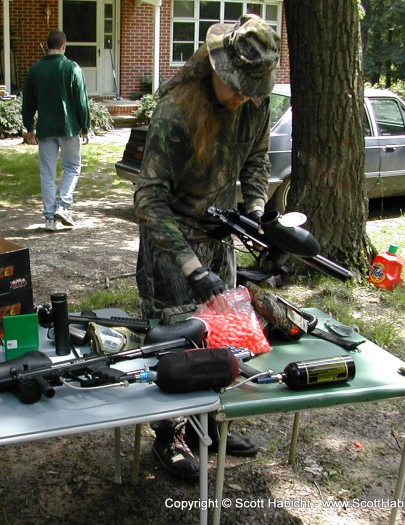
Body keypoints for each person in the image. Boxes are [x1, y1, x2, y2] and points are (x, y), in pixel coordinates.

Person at [133, 14, 281, 481]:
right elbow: (149, 199)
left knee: (224, 338)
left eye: (249, 89)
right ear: (215, 67)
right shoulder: (177, 109)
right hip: (172, 244)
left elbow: (256, 160)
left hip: (219, 236)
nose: (241, 97)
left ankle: (212, 425)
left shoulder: (253, 104)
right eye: (235, 86)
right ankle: (168, 436)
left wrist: (254, 212)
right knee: (176, 344)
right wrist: (192, 268)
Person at [22, 30, 91, 232]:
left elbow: (28, 102)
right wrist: (85, 126)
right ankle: (64, 205)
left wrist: (29, 127)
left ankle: (49, 218)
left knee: (47, 172)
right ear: (64, 46)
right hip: (68, 127)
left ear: (47, 45)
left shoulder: (36, 70)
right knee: (72, 167)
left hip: (45, 129)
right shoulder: (72, 68)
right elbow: (81, 100)